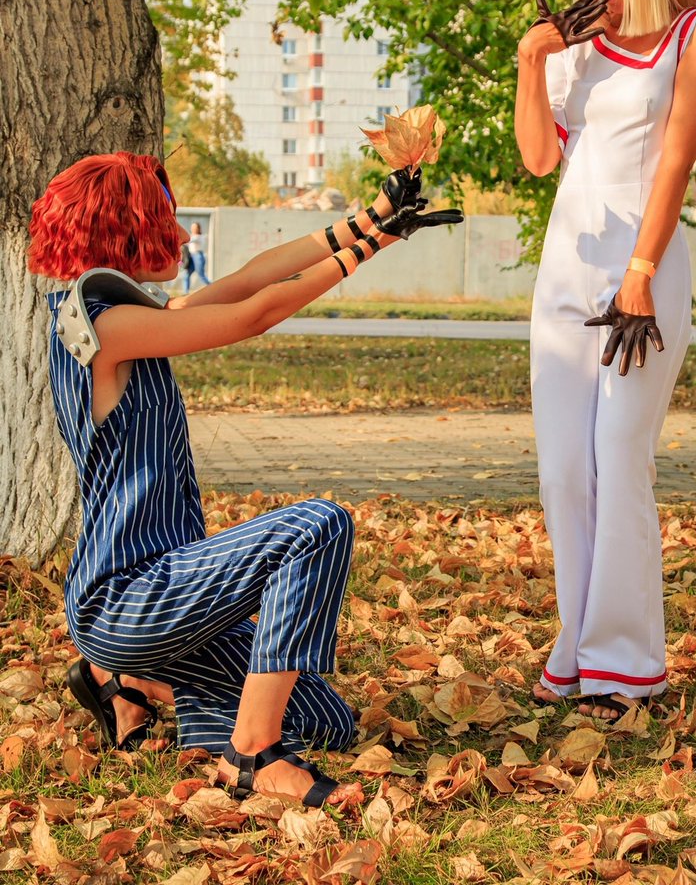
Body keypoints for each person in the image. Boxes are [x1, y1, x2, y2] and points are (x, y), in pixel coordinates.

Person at [28, 151, 462, 805]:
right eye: (163, 221)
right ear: (122, 232)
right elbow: (252, 313)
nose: (180, 234)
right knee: (316, 528)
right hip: (126, 595)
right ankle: (253, 756)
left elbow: (250, 278)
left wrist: (373, 220)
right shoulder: (104, 327)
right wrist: (367, 247)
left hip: (170, 591)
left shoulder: (119, 312)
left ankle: (125, 681)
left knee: (324, 719)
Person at [515, 0, 696, 722]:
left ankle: (625, 664)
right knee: (564, 471)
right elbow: (540, 159)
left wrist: (638, 272)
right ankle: (577, 646)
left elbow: (675, 160)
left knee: (617, 457)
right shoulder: (572, 45)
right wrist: (532, 60)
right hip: (564, 276)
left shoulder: (694, 31)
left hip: (642, 273)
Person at [188, 221, 211, 287]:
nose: (193, 229)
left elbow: (189, 240)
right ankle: (185, 291)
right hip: (191, 256)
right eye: (192, 227)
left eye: (195, 227)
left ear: (198, 229)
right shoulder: (193, 236)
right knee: (186, 274)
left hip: (197, 256)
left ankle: (212, 286)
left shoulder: (199, 237)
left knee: (201, 275)